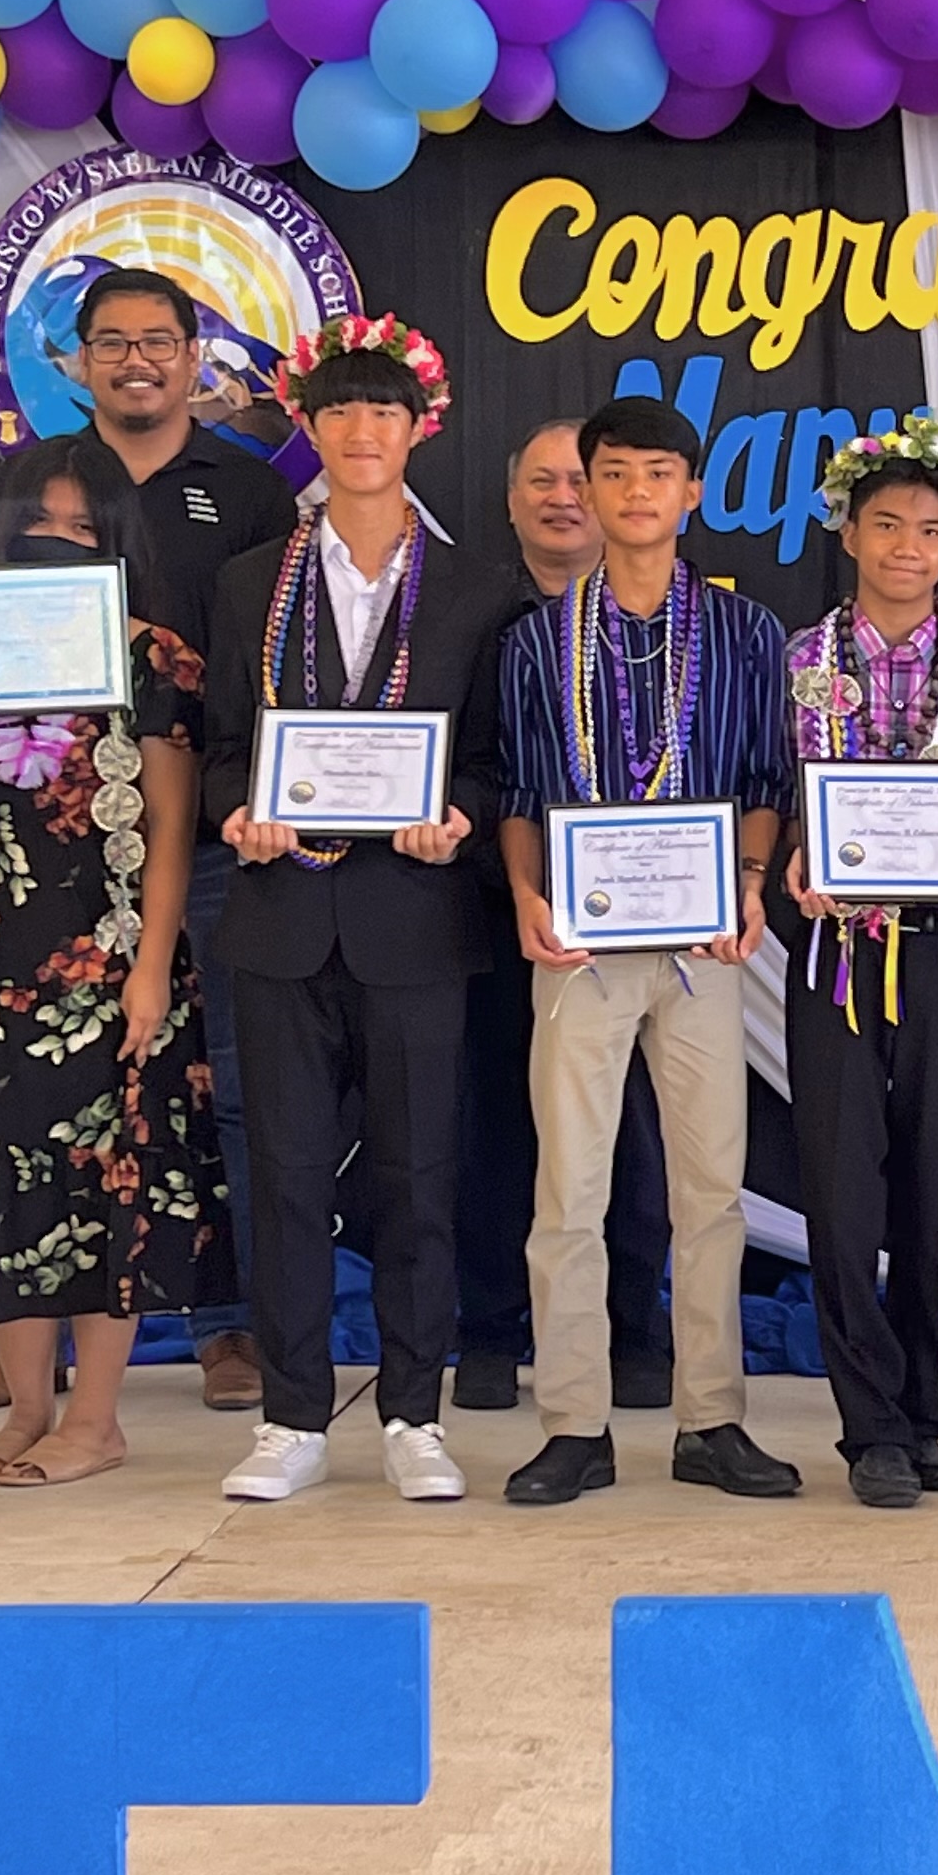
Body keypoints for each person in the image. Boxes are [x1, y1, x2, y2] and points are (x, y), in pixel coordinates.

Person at [0, 263, 291, 1418]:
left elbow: (272, 662)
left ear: (194, 358)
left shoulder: (250, 493)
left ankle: (224, 1321)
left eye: (158, 340)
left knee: (219, 1085)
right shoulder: (37, 481)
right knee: (41, 1093)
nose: (135, 359)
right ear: (78, 361)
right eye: (111, 341)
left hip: (207, 835)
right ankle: (24, 1340)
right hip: (54, 855)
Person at [0, 435, 229, 1487]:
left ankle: (98, 1419)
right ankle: (29, 1408)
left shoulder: (152, 658)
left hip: (108, 958)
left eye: (82, 526)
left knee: (107, 1183)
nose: (58, 539)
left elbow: (170, 829)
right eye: (41, 520)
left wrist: (152, 967)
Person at [203, 316, 498, 1505]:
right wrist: (238, 811)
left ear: (418, 428)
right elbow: (222, 749)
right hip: (282, 916)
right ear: (310, 428)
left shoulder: (474, 586)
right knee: (283, 1175)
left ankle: (415, 1412)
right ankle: (290, 1416)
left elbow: (490, 761)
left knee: (419, 1176)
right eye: (340, 411)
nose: (362, 430)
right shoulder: (248, 583)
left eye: (384, 410)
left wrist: (458, 817)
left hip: (414, 918)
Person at [495, 394, 792, 1506]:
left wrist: (749, 881)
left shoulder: (746, 632)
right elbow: (519, 790)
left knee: (710, 1186)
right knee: (567, 1189)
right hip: (577, 945)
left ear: (691, 492)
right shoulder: (537, 638)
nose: (632, 493)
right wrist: (527, 896)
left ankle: (711, 1418)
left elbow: (765, 780)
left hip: (703, 944)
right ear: (587, 487)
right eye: (611, 472)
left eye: (656, 474)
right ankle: (574, 1423)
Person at [773, 415, 938, 1508]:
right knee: (843, 1199)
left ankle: (922, 1415)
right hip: (837, 952)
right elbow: (775, 797)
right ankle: (869, 1428)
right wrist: (797, 857)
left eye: (931, 531)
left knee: (932, 1197)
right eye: (886, 525)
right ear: (849, 531)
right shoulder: (798, 659)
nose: (907, 548)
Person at [455, 417, 675, 1414]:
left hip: (647, 917)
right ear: (511, 500)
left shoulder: (676, 623)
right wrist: (518, 885)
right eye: (539, 481)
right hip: (500, 909)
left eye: (577, 480)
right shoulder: (473, 614)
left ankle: (635, 1331)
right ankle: (491, 1330)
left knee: (631, 1132)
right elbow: (478, 766)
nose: (561, 498)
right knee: (499, 1121)